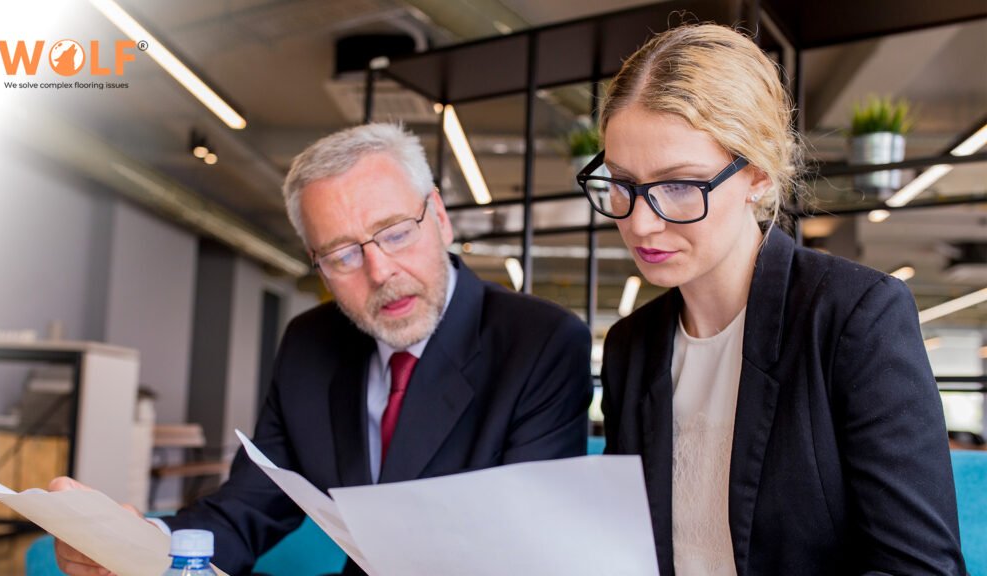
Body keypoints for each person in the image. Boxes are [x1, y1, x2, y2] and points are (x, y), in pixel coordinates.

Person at [53, 123, 592, 576]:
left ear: (440, 217)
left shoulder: (540, 343)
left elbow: (526, 551)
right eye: (342, 255)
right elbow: (248, 508)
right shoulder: (309, 344)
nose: (381, 272)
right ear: (317, 262)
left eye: (396, 233)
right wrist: (134, 542)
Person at [578, 23, 965, 576]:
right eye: (621, 182)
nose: (640, 222)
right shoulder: (630, 347)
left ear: (757, 173)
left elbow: (920, 567)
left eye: (681, 185)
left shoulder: (853, 317)